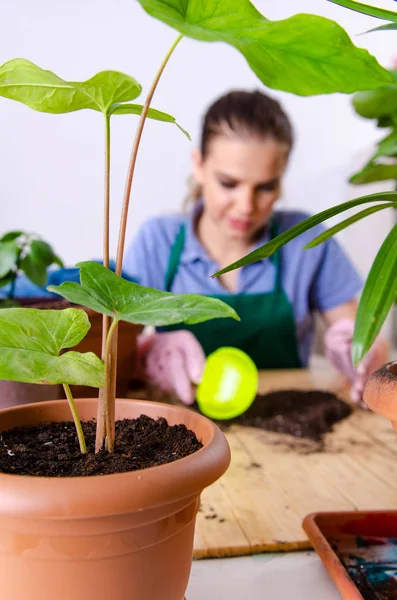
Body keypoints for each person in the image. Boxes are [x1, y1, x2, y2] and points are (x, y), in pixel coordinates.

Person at [123, 90, 388, 406]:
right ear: (199, 165)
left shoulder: (306, 241)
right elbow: (116, 347)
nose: (246, 206)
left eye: (265, 187)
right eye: (228, 183)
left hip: (289, 420)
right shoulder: (157, 242)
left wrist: (359, 348)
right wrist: (143, 353)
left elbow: (363, 332)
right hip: (182, 423)